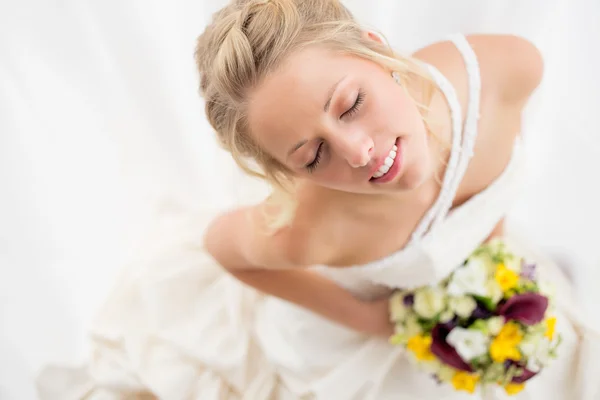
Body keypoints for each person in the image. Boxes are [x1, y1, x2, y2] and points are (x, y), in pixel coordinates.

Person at [36, 0, 600, 399]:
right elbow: (223, 248)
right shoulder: (313, 232)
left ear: (377, 52)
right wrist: (368, 318)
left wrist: (490, 240)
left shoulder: (505, 68)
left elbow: (504, 139)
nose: (358, 153)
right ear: (290, 174)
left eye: (352, 103)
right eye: (311, 157)